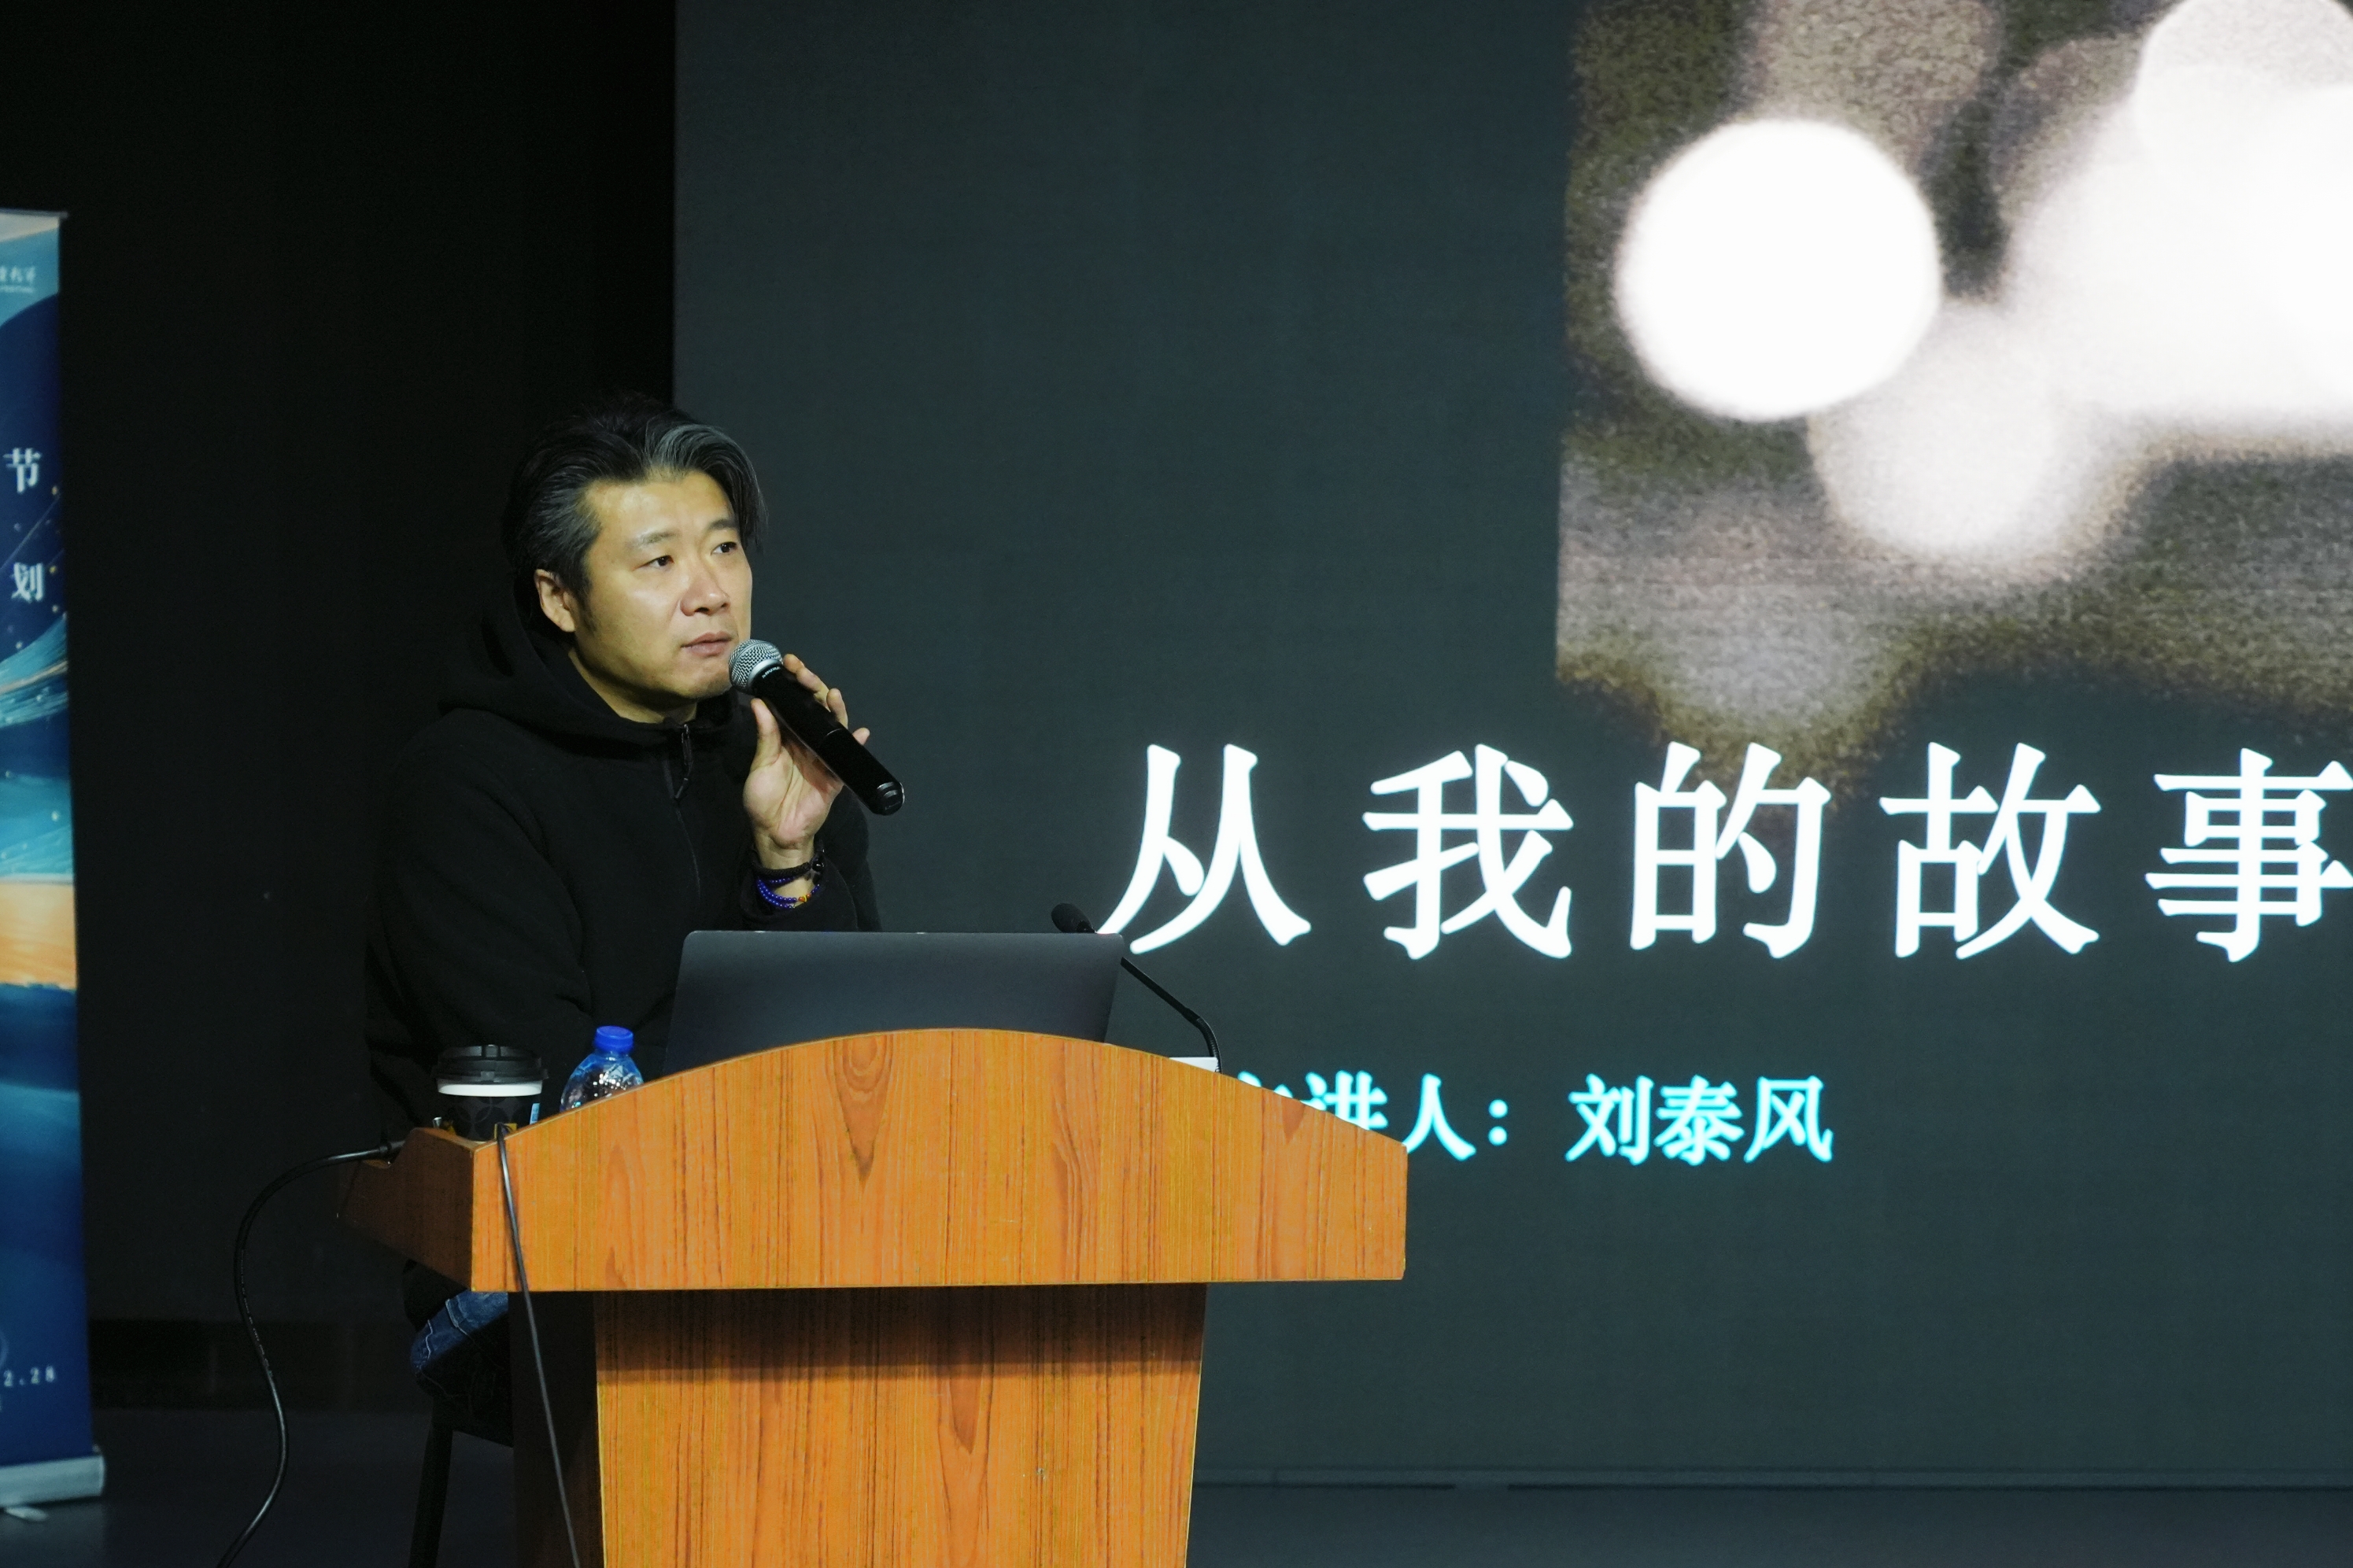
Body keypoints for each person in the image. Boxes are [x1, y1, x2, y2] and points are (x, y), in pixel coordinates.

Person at [364, 394, 883, 1431]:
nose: (710, 592)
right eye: (658, 562)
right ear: (560, 598)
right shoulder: (468, 783)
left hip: (780, 1221)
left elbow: (850, 1056)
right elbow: (557, 1092)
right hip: (534, 1260)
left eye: (725, 549)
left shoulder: (782, 758)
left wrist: (788, 858)